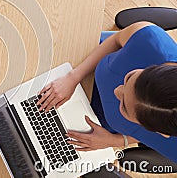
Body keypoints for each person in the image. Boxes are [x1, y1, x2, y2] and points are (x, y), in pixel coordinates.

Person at [36, 21, 177, 162]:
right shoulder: (149, 39)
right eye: (129, 77)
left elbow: (149, 139)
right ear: (155, 67)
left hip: (95, 121)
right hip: (87, 61)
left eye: (124, 107)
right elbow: (116, 39)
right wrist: (73, 76)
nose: (117, 91)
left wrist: (115, 141)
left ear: (161, 133)